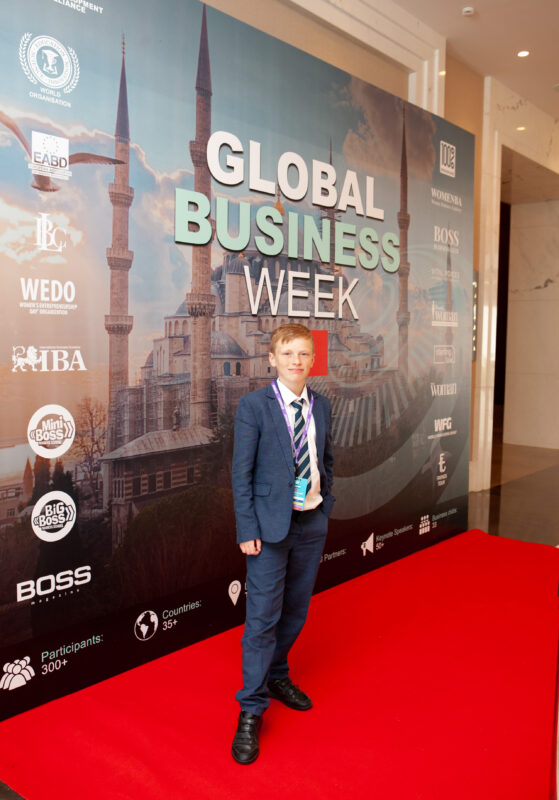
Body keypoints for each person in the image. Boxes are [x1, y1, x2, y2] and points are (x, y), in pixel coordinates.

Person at [231, 323, 335, 764]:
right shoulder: (254, 406)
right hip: (269, 530)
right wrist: (247, 529)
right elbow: (241, 474)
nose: (296, 360)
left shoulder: (322, 406)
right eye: (288, 353)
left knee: (295, 611)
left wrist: (325, 507)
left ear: (313, 360)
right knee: (261, 619)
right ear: (272, 359)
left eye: (303, 354)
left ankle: (277, 674)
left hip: (311, 524)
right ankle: (251, 709)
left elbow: (326, 460)